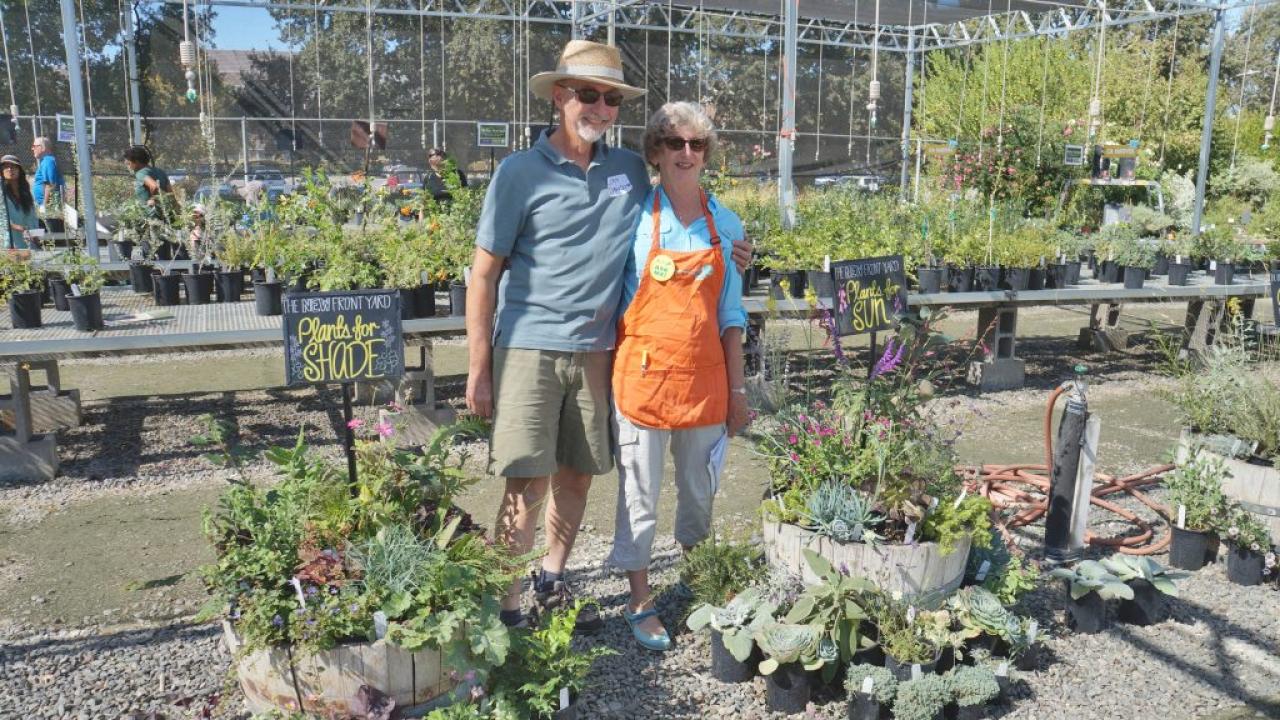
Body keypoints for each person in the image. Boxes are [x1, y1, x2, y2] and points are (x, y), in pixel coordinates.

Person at [466, 40, 751, 634]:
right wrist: (478, 368)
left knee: (578, 473)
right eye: (588, 94)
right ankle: (508, 607)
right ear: (561, 96)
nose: (599, 106)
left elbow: (704, 244)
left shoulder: (626, 173)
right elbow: (484, 273)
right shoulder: (519, 172)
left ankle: (552, 577)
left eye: (610, 98)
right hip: (530, 345)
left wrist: (738, 251)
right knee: (526, 477)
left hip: (599, 352)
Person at [607, 102, 750, 650]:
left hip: (705, 383)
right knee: (639, 494)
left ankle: (699, 578)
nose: (686, 153)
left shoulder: (728, 225)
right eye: (674, 143)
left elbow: (731, 317)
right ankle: (639, 599)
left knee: (698, 492)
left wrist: (738, 393)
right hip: (643, 380)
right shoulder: (633, 218)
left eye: (697, 144)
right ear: (655, 153)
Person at [2, 155, 38, 251]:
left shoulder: (25, 191)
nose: (10, 169)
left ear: (19, 170)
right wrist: (16, 227)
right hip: (9, 241)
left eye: (13, 166)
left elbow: (32, 215)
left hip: (28, 240)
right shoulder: (1, 192)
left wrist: (35, 232)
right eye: (6, 167)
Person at [124, 145, 174, 212]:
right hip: (165, 213)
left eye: (128, 162)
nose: (127, 165)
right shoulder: (160, 172)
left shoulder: (141, 173)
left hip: (151, 216)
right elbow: (170, 194)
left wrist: (153, 199)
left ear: (136, 161)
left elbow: (154, 186)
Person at [30, 137, 64, 213]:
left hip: (49, 207)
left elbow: (50, 185)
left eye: (34, 146)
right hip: (48, 205)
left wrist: (44, 206)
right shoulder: (46, 161)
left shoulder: (48, 161)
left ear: (43, 147)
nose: (32, 149)